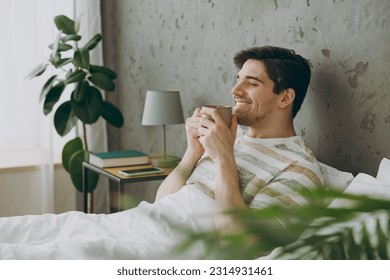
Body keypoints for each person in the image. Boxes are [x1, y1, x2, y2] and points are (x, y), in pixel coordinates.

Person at [0, 46, 323, 260]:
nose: (235, 90)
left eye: (251, 83)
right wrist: (192, 152)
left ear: (285, 98)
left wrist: (224, 158)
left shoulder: (298, 171)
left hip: (164, 248)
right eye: (237, 80)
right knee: (34, 228)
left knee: (39, 257)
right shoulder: (229, 139)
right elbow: (163, 202)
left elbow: (241, 246)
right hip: (136, 222)